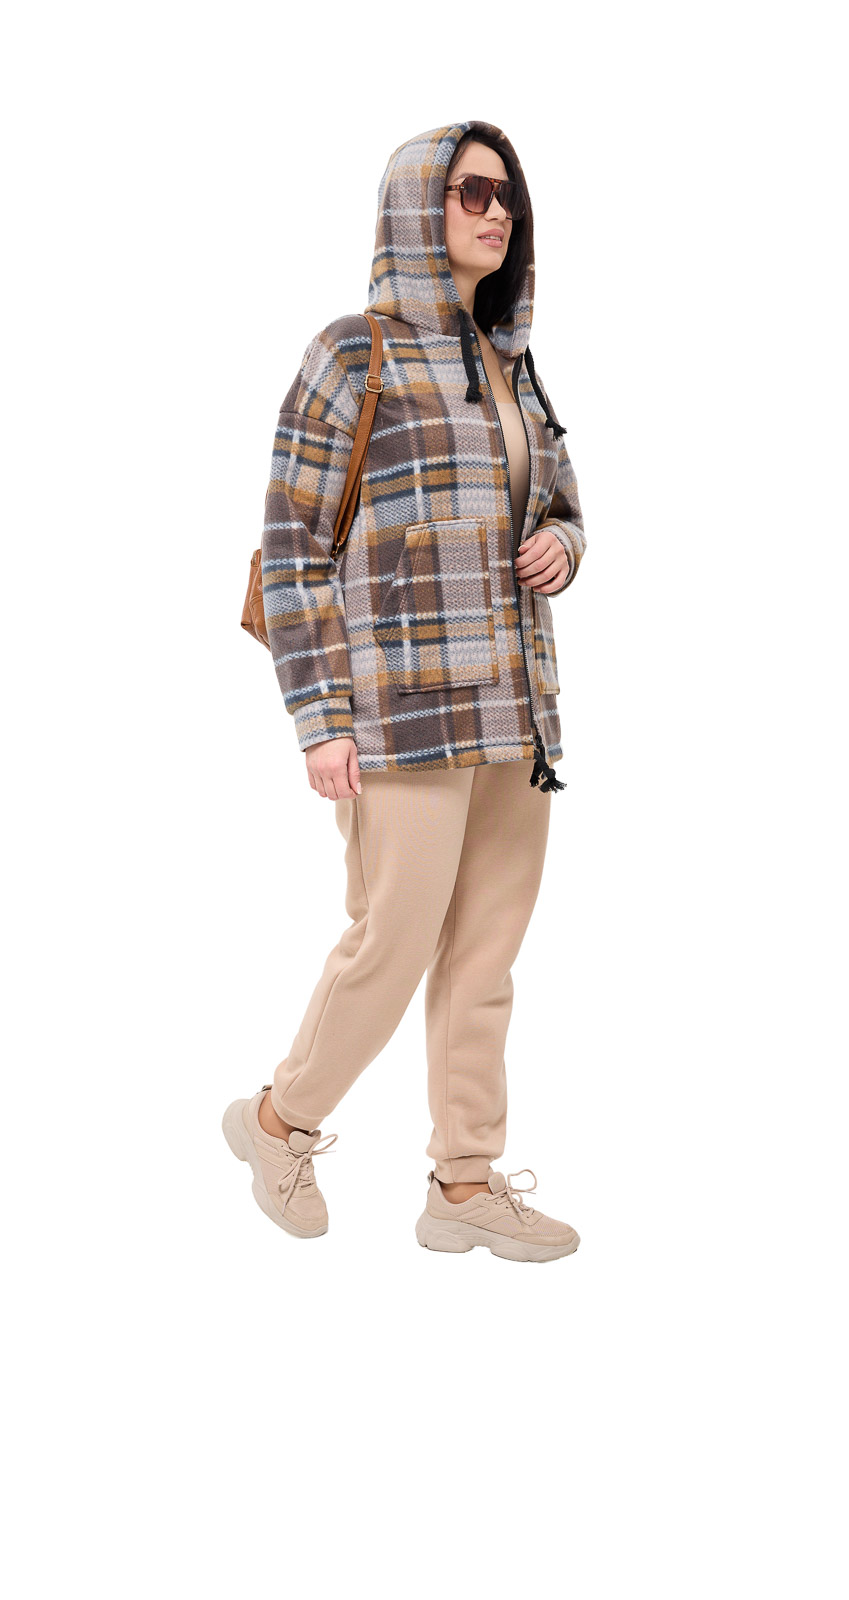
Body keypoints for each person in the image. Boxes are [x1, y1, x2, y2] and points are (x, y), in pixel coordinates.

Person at [223, 120, 587, 1263]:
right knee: (393, 942)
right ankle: (277, 1121)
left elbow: (562, 499)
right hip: (403, 716)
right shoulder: (352, 354)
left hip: (516, 712)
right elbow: (292, 548)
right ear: (415, 205)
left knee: (484, 958)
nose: (497, 211)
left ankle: (464, 1181)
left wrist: (566, 545)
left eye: (507, 196)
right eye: (471, 191)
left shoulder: (513, 363)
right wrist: (320, 719)